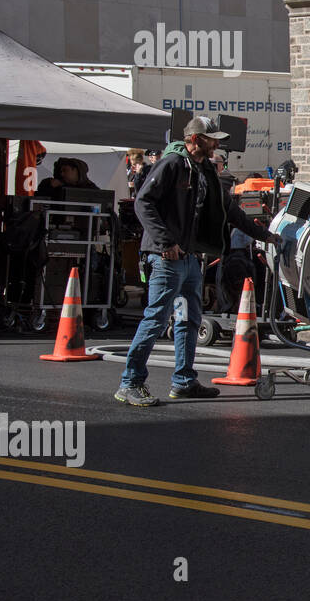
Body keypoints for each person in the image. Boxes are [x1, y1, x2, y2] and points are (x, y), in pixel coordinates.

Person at [116, 117, 281, 407]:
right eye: (211, 138)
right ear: (195, 140)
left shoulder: (204, 170)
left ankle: (184, 381)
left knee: (188, 320)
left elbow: (229, 210)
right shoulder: (172, 164)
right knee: (156, 319)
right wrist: (166, 243)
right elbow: (144, 202)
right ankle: (130, 382)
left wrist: (265, 235)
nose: (217, 143)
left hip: (190, 258)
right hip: (166, 257)